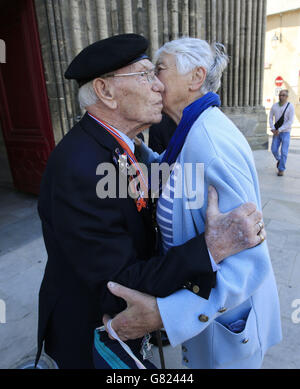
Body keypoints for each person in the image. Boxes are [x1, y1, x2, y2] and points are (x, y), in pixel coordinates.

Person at [35, 34, 265, 369]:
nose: (158, 85)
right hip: (93, 337)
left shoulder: (123, 146)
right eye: (145, 75)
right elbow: (119, 284)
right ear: (106, 91)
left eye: (156, 72)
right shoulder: (79, 166)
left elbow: (158, 188)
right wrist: (211, 247)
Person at [104, 37, 282, 369]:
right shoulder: (190, 132)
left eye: (159, 69)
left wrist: (164, 314)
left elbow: (249, 263)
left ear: (196, 78)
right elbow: (179, 179)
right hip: (207, 321)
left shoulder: (211, 142)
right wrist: (131, 142)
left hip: (228, 325)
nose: (153, 82)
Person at [270, 89, 295, 176]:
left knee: (284, 151)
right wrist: (272, 128)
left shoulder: (290, 106)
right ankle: (280, 160)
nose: (281, 97)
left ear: (287, 97)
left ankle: (281, 169)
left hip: (286, 132)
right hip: (276, 132)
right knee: (273, 150)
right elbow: (270, 117)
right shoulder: (274, 106)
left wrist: (279, 130)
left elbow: (290, 121)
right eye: (280, 95)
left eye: (283, 95)